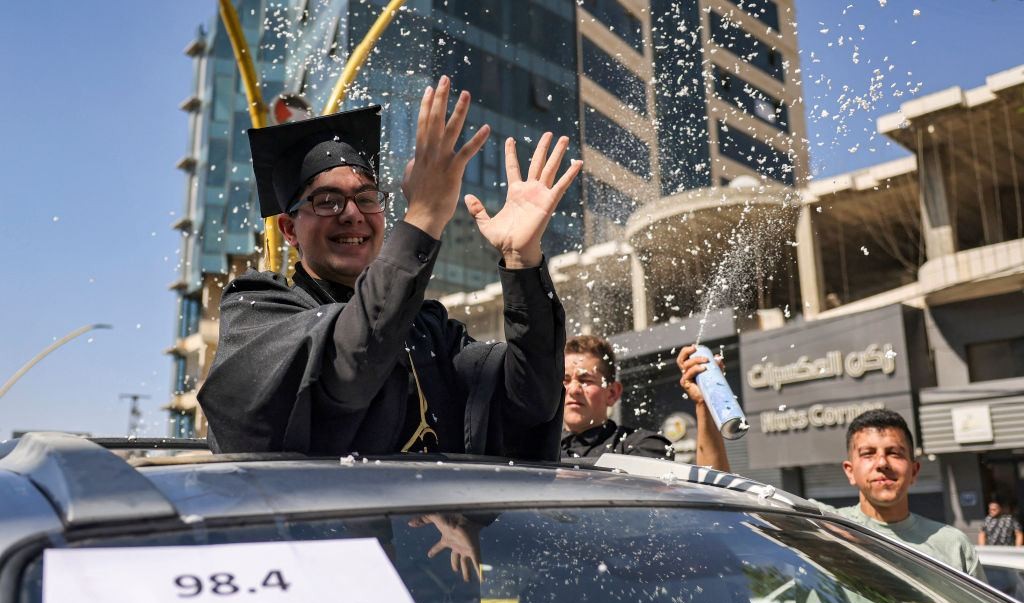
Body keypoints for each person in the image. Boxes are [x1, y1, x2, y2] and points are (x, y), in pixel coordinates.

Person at [198, 76, 581, 457]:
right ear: (289, 230)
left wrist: (521, 262)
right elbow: (350, 362)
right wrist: (425, 216)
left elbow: (531, 402)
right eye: (327, 200)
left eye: (367, 198)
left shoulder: (426, 328)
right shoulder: (258, 309)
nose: (352, 215)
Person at [789, 408, 985, 603]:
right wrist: (707, 407)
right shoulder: (819, 528)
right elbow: (725, 496)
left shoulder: (953, 545)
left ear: (914, 470)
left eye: (895, 452)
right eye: (868, 454)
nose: (882, 463)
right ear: (850, 471)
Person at [559, 336, 730, 469]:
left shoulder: (641, 447)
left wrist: (703, 403)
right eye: (564, 380)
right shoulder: (535, 450)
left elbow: (713, 492)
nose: (573, 390)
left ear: (612, 393)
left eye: (586, 380)